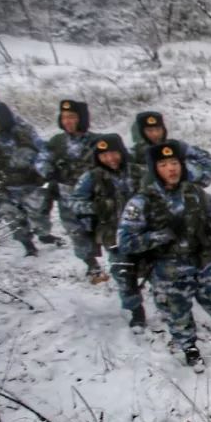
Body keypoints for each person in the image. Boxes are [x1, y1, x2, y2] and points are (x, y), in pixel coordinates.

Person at [117, 141, 211, 367]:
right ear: (154, 169)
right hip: (167, 269)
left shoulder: (195, 193)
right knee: (177, 312)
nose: (171, 169)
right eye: (164, 164)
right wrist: (160, 236)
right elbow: (125, 242)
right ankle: (189, 348)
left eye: (174, 163)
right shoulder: (141, 202)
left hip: (202, 261)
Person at [71, 133, 147, 329]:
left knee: (158, 269)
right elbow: (77, 202)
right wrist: (97, 208)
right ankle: (136, 311)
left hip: (145, 232)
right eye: (105, 155)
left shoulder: (139, 172)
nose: (111, 159)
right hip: (113, 235)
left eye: (114, 153)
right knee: (123, 273)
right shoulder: (91, 177)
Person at [0, 102, 58, 254]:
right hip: (4, 187)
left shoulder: (23, 132)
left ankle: (44, 235)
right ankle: (28, 246)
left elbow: (43, 150)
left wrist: (42, 169)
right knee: (14, 219)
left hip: (30, 185)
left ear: (2, 119)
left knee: (39, 217)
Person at [37, 99, 101, 275]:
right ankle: (91, 264)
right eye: (64, 117)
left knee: (100, 229)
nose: (68, 121)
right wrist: (48, 171)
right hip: (67, 197)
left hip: (94, 195)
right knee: (76, 233)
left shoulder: (96, 141)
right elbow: (42, 160)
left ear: (81, 118)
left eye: (72, 117)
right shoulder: (56, 142)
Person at [130, 110, 211, 188]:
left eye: (158, 129)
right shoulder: (132, 154)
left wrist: (197, 184)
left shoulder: (176, 146)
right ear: (141, 132)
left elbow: (208, 161)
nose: (155, 134)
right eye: (149, 130)